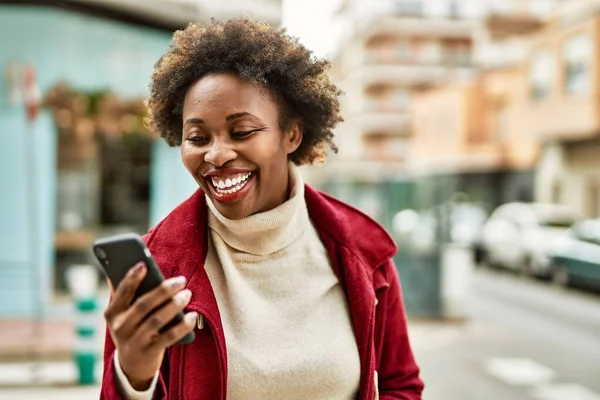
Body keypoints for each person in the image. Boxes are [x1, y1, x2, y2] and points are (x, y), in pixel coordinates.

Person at [100, 18, 423, 400]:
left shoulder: (364, 252)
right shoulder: (159, 265)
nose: (216, 154)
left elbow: (399, 386)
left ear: (292, 134)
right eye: (198, 138)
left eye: (242, 132)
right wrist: (133, 376)